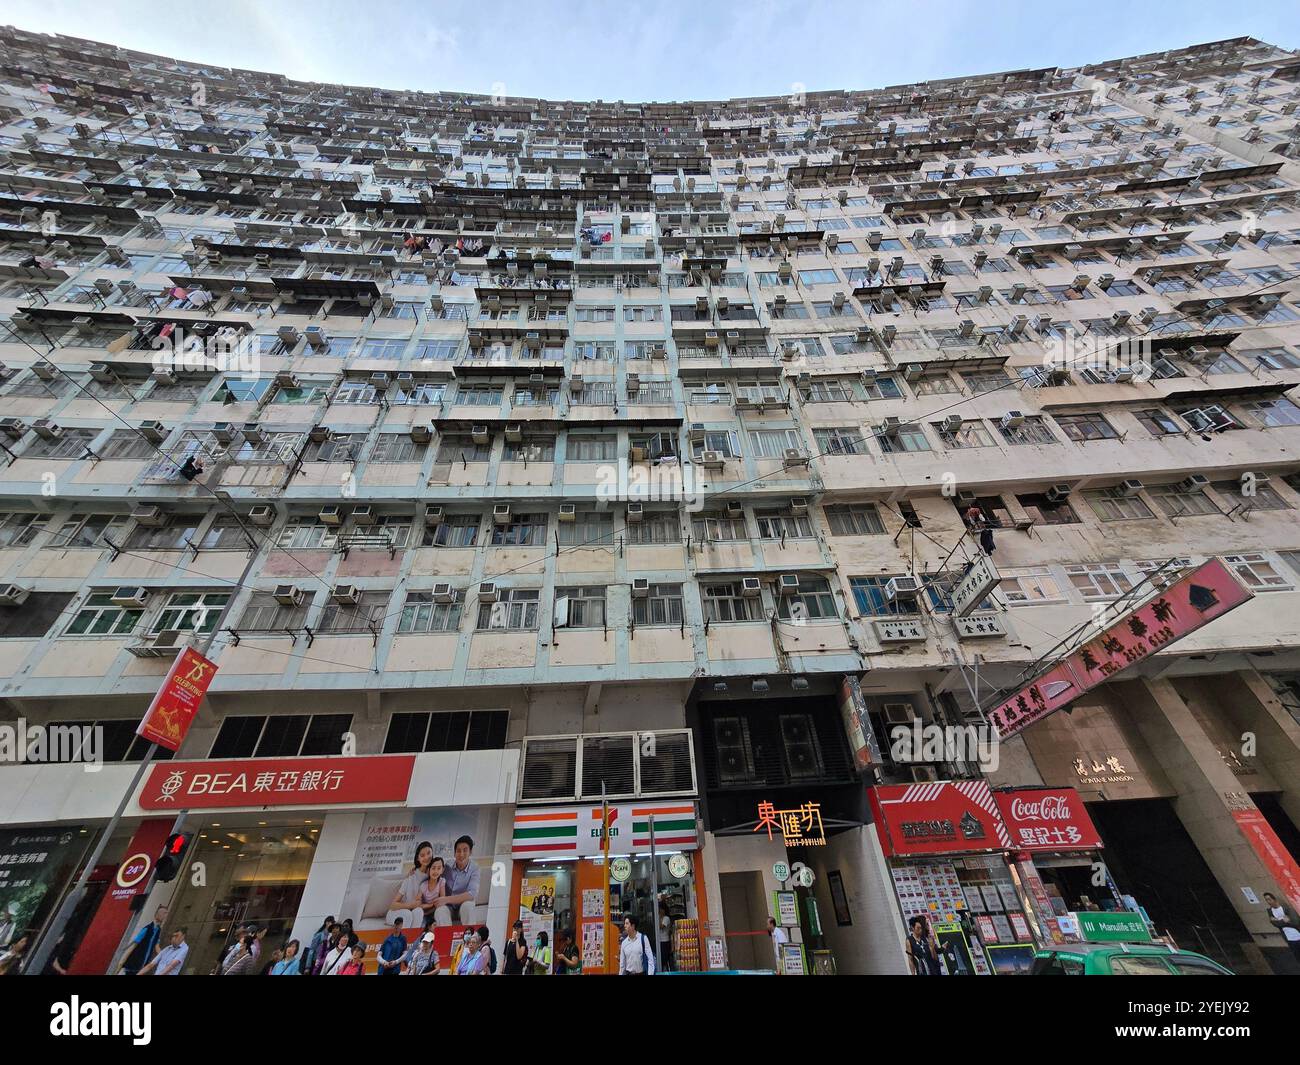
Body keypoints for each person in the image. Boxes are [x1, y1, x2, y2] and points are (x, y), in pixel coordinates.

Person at [433, 836, 480, 926]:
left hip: (463, 905)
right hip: (448, 907)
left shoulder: (475, 869)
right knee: (440, 911)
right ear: (454, 854)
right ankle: (445, 939)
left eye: (465, 850)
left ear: (470, 852)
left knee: (469, 907)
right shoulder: (447, 866)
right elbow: (433, 875)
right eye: (458, 851)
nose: (461, 854)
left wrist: (446, 899)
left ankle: (470, 939)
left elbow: (471, 894)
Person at [389, 840, 434, 924]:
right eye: (422, 855)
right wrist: (411, 905)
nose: (427, 857)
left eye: (429, 853)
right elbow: (393, 905)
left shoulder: (434, 876)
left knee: (418, 912)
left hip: (418, 913)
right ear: (418, 858)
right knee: (408, 914)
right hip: (399, 912)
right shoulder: (411, 876)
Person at [118, 905, 167, 976]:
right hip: (134, 963)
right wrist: (122, 961)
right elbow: (133, 946)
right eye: (164, 913)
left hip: (143, 965)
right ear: (157, 914)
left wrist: (165, 956)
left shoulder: (158, 930)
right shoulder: (147, 929)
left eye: (166, 913)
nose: (165, 916)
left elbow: (157, 947)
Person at [1263, 892, 1300, 963]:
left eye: (1269, 899)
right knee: (1297, 957)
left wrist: (1279, 920)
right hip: (1289, 939)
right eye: (1266, 900)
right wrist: (1284, 920)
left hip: (1298, 934)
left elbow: (1296, 922)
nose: (1268, 902)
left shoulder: (1285, 908)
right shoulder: (1270, 911)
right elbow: (1275, 924)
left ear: (1274, 899)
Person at [658, 902, 674, 973]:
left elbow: (661, 927)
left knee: (664, 958)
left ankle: (666, 971)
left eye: (661, 909)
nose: (659, 911)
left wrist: (658, 918)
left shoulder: (666, 918)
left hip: (665, 941)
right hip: (660, 941)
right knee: (661, 959)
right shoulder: (661, 918)